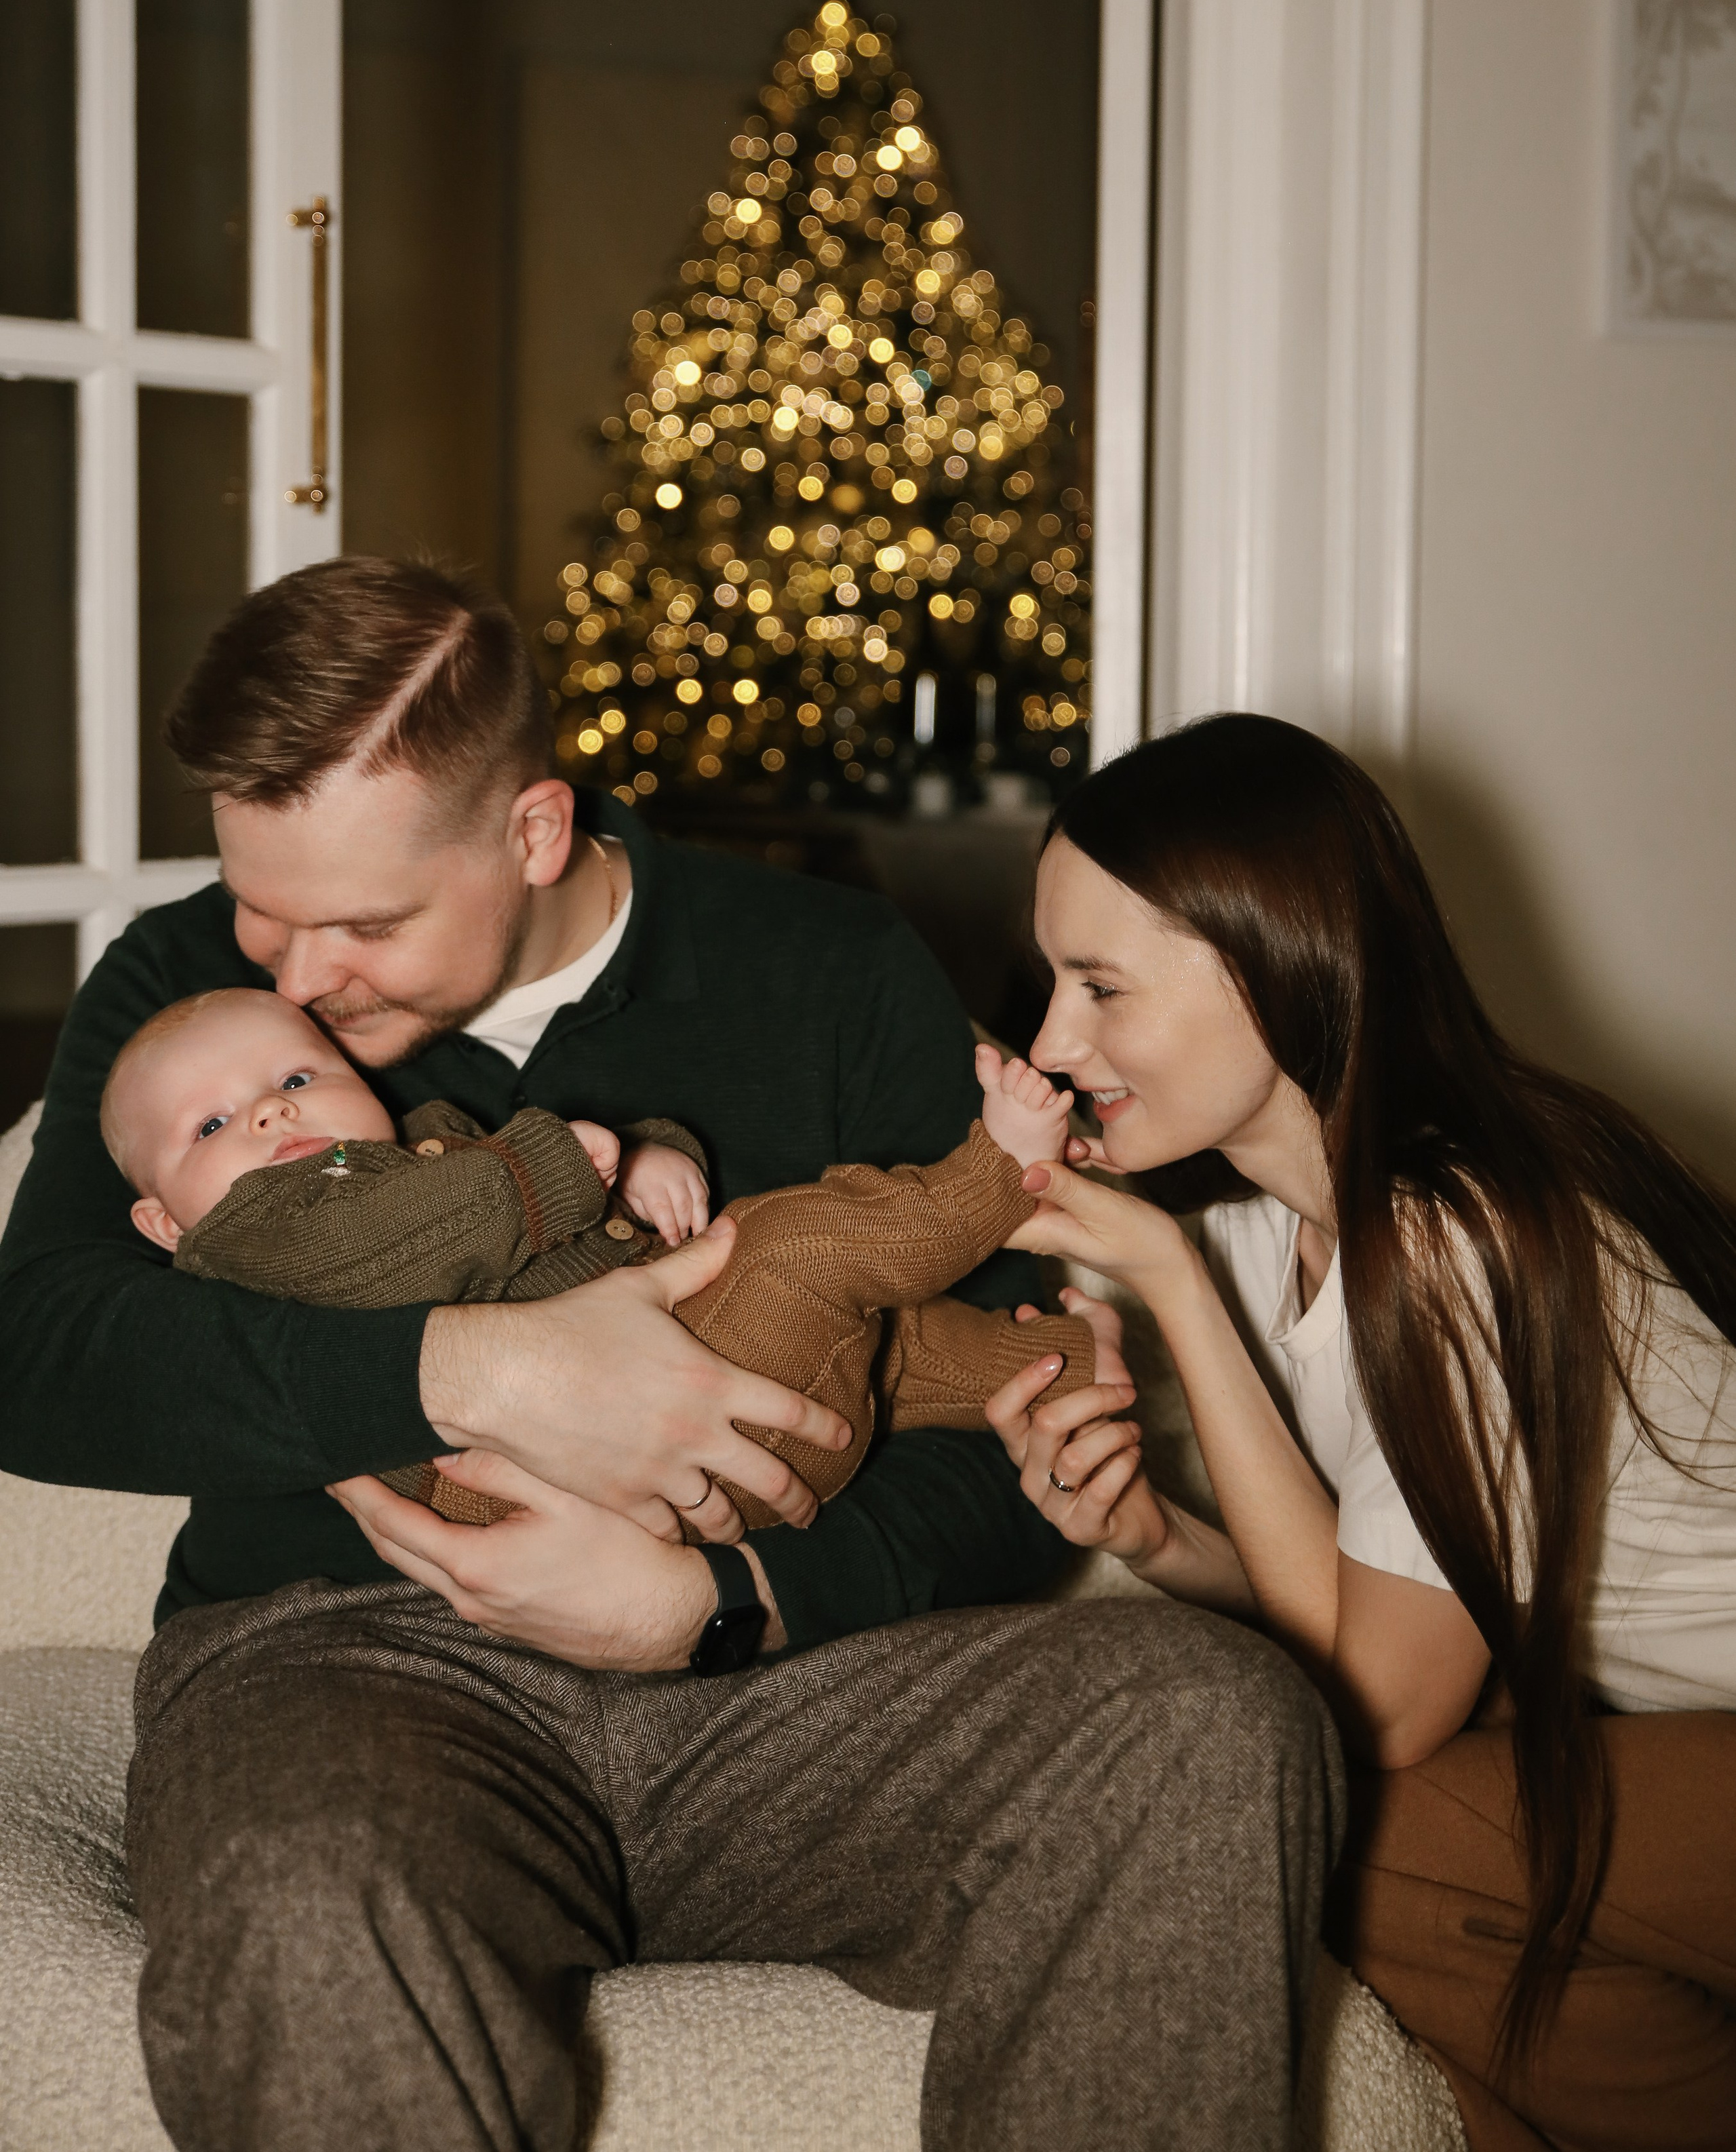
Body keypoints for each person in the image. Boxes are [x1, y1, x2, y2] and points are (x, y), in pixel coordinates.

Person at [0, 560, 1343, 2152]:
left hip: (792, 1688)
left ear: (533, 831)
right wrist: (483, 1371)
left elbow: (1003, 1414)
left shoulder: (826, 964)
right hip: (351, 1672)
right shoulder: (181, 988)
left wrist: (724, 1602)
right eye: (260, 907)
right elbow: (40, 1352)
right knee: (309, 1895)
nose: (291, 979)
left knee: (1206, 1719)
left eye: (364, 923)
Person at [984, 713, 1736, 2152]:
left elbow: (1379, 1712)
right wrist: (1160, 1537)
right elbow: (1371, 1612)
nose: (1052, 1044)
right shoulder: (1282, 1239)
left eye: (1100, 988)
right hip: (1669, 1728)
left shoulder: (1462, 1233)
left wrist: (1168, 1286)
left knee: (1362, 1838)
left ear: (1273, 962)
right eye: (1051, 983)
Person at [100, 983, 1094, 1527]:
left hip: (722, 1394)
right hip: (614, 1481)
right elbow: (393, 1240)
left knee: (901, 1343)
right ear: (165, 1226)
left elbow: (528, 1204)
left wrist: (641, 1158)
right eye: (212, 1124)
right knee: (798, 1244)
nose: (271, 1114)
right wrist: (559, 1164)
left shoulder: (438, 1139)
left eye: (296, 1079)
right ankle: (994, 1175)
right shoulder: (257, 1238)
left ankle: (1064, 1368)